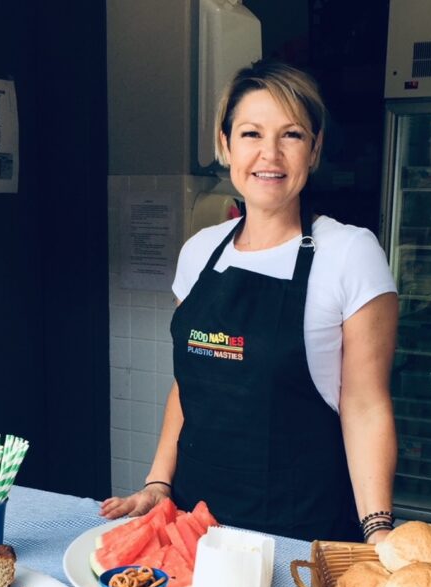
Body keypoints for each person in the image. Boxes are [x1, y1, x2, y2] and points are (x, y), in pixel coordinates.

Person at [101, 60, 398, 544]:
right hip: (195, 528)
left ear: (315, 148)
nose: (270, 154)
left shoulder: (350, 252)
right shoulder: (199, 251)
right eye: (251, 134)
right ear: (225, 145)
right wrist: (158, 483)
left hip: (298, 533)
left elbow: (365, 406)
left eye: (292, 135)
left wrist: (378, 530)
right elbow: (188, 384)